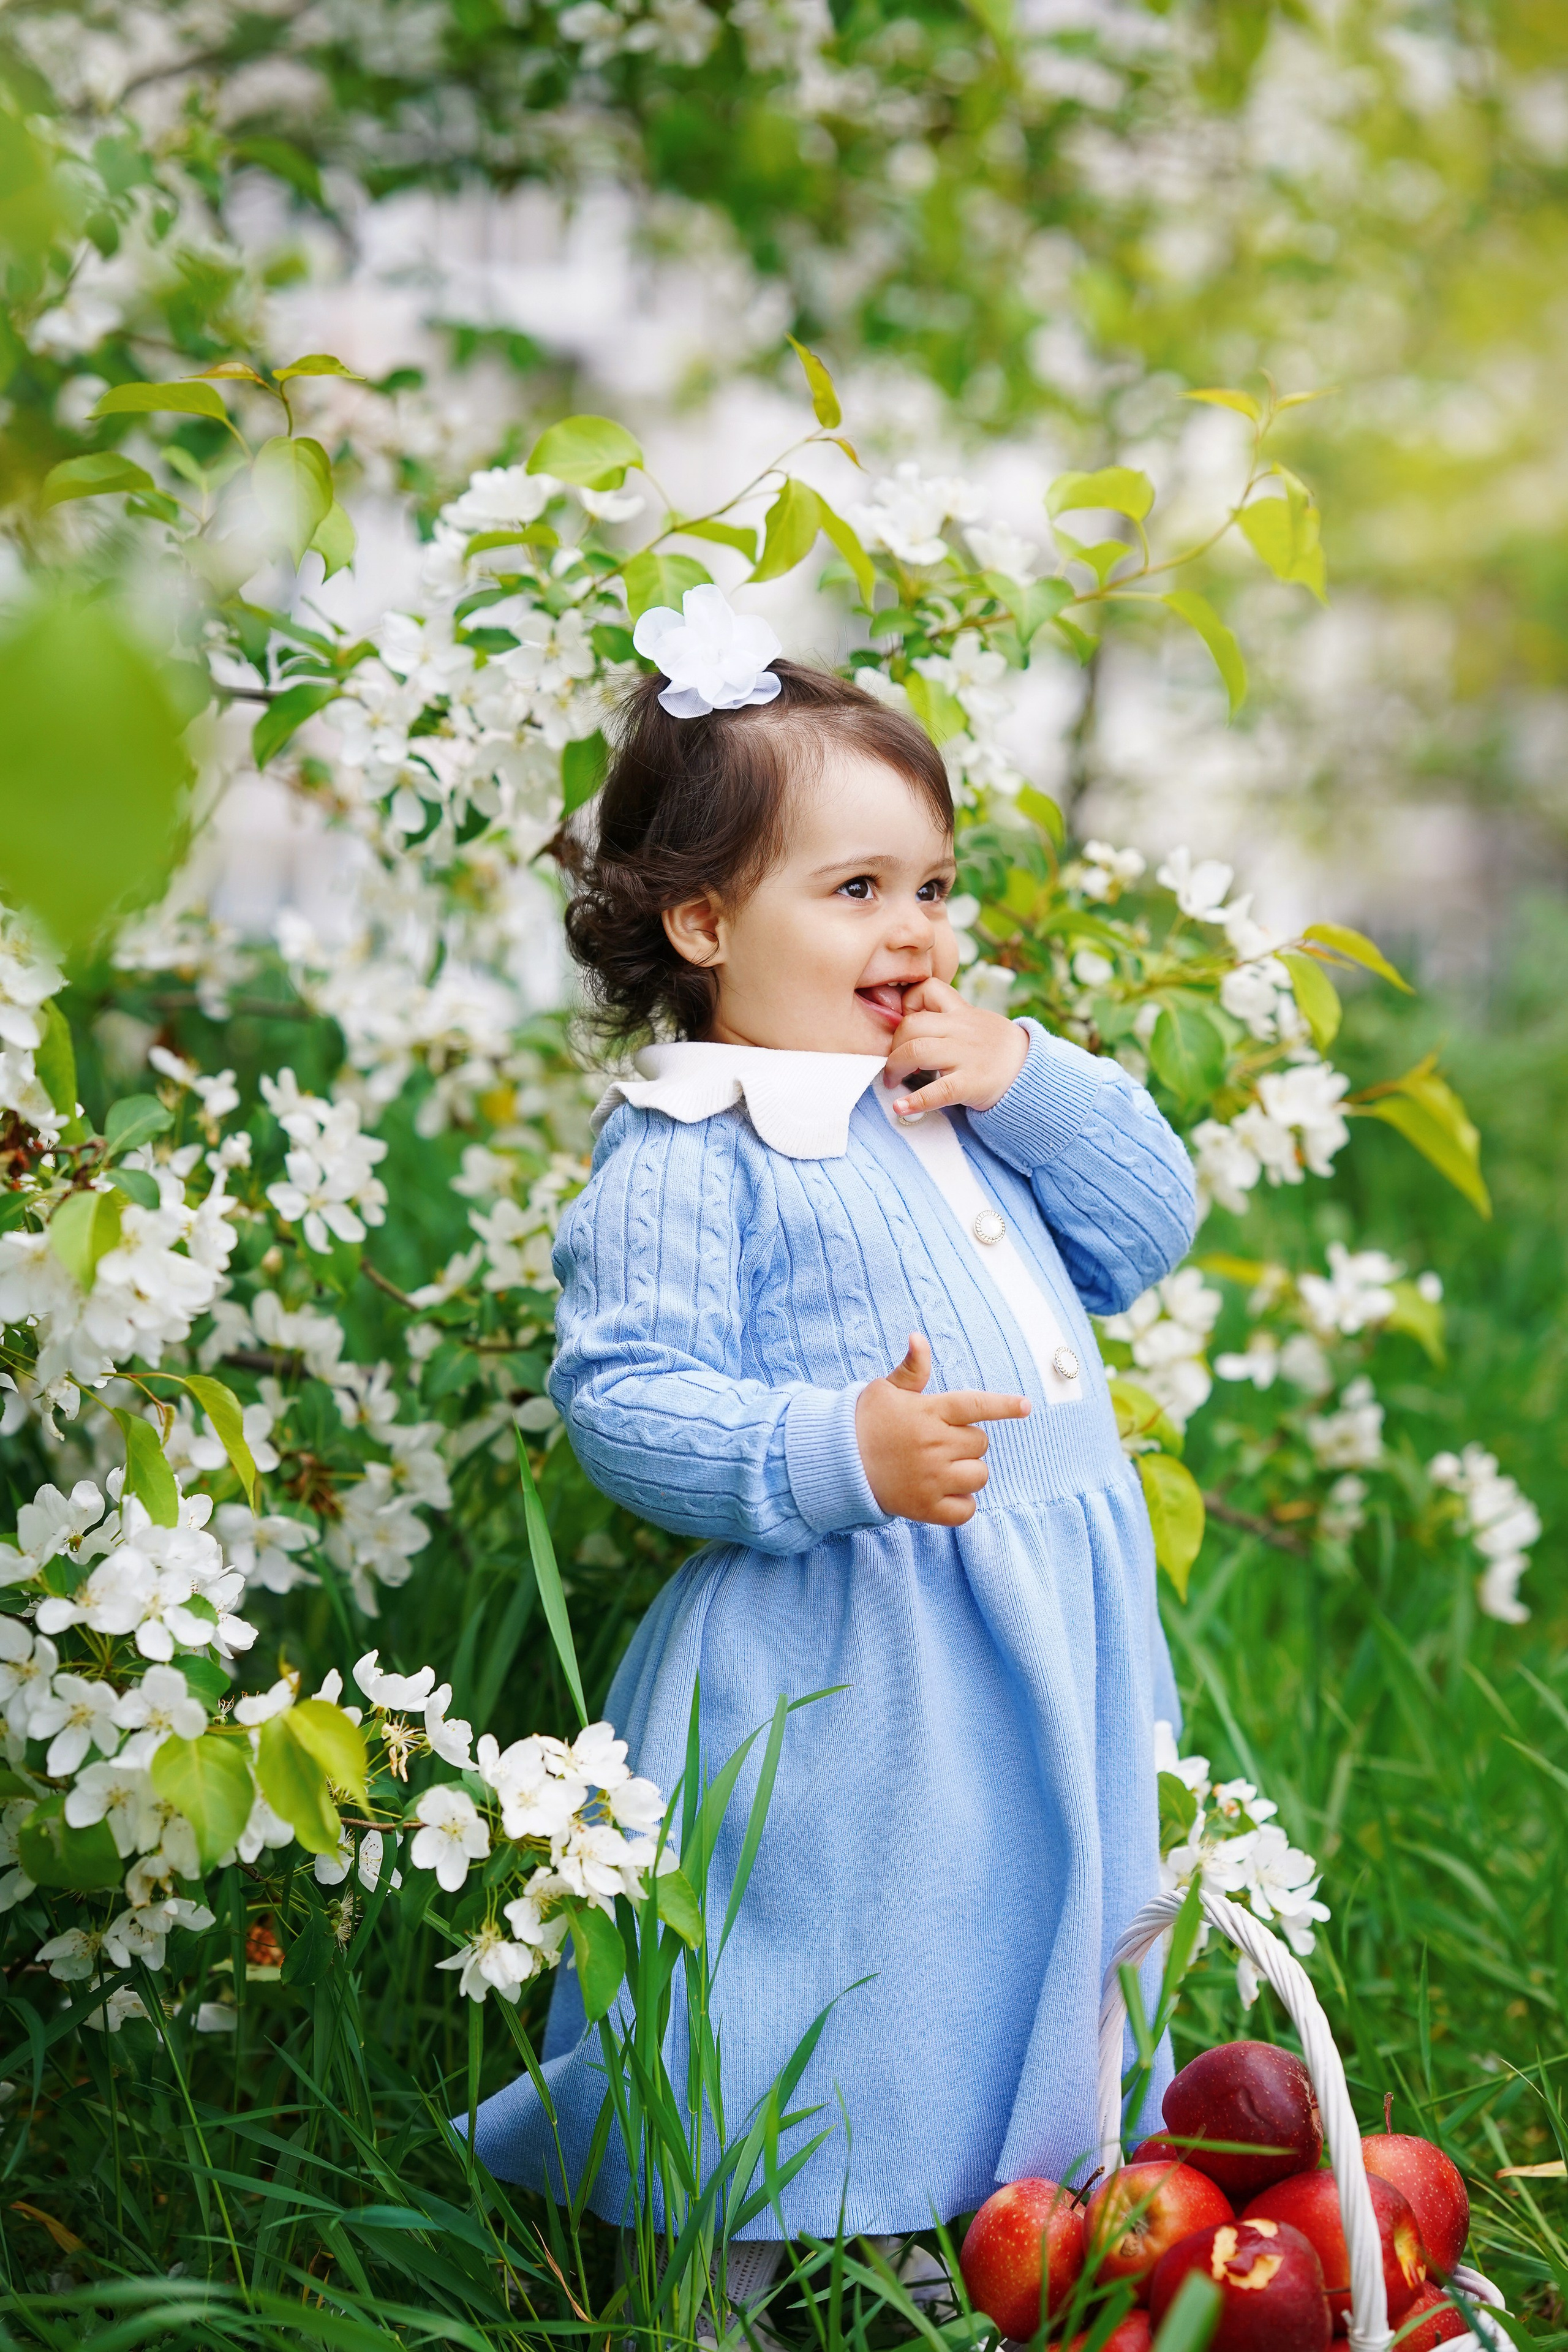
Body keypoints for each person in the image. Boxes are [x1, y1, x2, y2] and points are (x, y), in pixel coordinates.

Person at [471, 590, 1197, 2294]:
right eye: (857, 890)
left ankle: (980, 2210)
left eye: (935, 887)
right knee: (822, 1950)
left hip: (1051, 1614)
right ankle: (736, 2247)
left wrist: (1032, 1077)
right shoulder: (690, 1144)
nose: (917, 931)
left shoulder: (962, 1088)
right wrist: (832, 1451)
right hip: (849, 1646)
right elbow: (628, 1398)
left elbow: (1148, 1228)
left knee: (1033, 1923)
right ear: (710, 923)